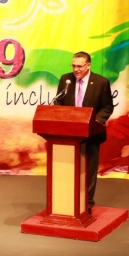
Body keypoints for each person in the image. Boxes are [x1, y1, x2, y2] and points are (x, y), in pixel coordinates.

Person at [54, 51, 114, 214]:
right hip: (69, 135)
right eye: (73, 65)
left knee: (88, 171)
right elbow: (59, 101)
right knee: (68, 169)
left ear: (88, 65)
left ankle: (86, 204)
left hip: (91, 135)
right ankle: (67, 202)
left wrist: (95, 122)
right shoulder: (66, 80)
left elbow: (107, 107)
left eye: (80, 66)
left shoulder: (101, 82)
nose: (76, 69)